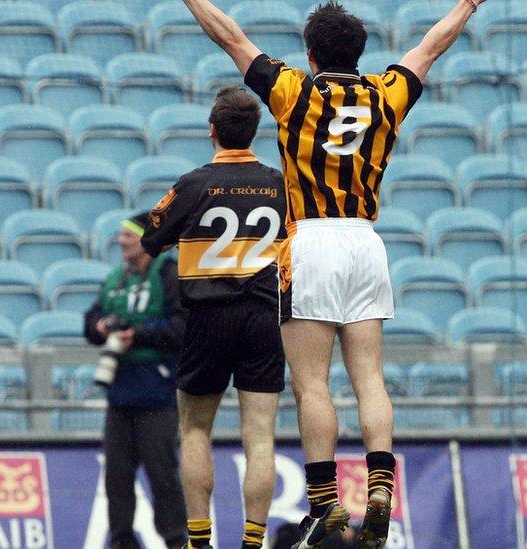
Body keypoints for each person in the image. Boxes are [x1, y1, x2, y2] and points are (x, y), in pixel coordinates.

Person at [178, 0, 483, 547]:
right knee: (369, 375)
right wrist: (469, 3)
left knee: (311, 382)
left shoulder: (295, 91)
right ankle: (381, 485)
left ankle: (323, 503)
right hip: (366, 242)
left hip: (313, 240)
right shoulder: (386, 93)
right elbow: (433, 44)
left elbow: (230, 36)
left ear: (312, 53)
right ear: (359, 52)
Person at [140, 86, 287, 549]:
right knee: (259, 436)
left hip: (206, 316)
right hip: (264, 317)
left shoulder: (193, 183)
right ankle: (252, 540)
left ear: (212, 130)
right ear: (255, 131)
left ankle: (199, 540)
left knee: (195, 428)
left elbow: (150, 238)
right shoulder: (280, 183)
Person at [83, 212, 188, 549]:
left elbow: (182, 326)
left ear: (145, 240)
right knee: (117, 478)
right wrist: (100, 327)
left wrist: (138, 334)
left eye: (128, 236)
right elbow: (90, 318)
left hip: (157, 396)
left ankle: (175, 539)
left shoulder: (169, 274)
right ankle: (122, 540)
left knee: (163, 476)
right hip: (120, 395)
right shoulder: (115, 278)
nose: (121, 241)